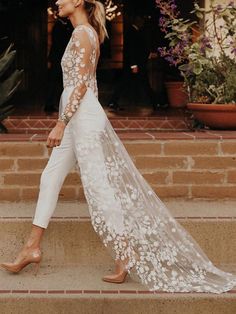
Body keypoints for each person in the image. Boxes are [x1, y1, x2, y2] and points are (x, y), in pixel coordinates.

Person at [1, 0, 236, 294]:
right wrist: (66, 120)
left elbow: (83, 84)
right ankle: (31, 247)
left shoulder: (83, 33)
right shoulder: (83, 33)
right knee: (49, 177)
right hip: (77, 116)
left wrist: (61, 122)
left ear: (77, 2)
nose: (58, 2)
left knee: (99, 186)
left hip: (81, 118)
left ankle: (125, 255)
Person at [108, 14, 157, 112]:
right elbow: (131, 50)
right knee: (136, 83)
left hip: (137, 64)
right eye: (140, 20)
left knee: (134, 83)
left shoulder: (136, 32)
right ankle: (156, 103)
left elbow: (138, 49)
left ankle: (156, 102)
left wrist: (148, 55)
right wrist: (133, 65)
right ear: (136, 21)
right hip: (135, 65)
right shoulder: (131, 32)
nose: (142, 23)